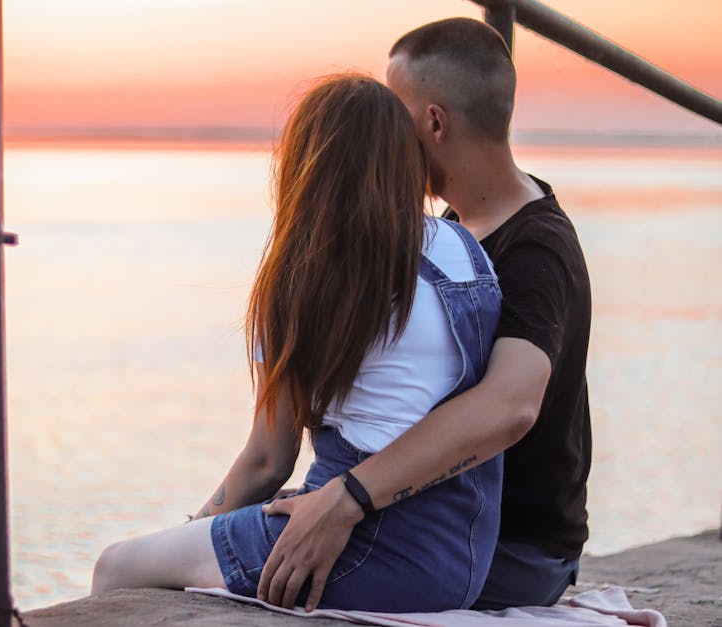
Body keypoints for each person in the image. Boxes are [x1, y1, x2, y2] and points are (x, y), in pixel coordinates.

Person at [90, 73, 504, 613]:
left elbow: (268, 461)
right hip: (461, 554)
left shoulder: (306, 280)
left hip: (354, 544)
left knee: (116, 568)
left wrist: (189, 537)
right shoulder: (466, 251)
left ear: (306, 166)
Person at [256, 17, 592, 612]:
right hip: (421, 516)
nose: (384, 132)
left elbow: (509, 406)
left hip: (502, 550)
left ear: (433, 122)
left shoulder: (535, 250)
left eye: (395, 111)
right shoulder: (452, 239)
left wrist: (348, 497)